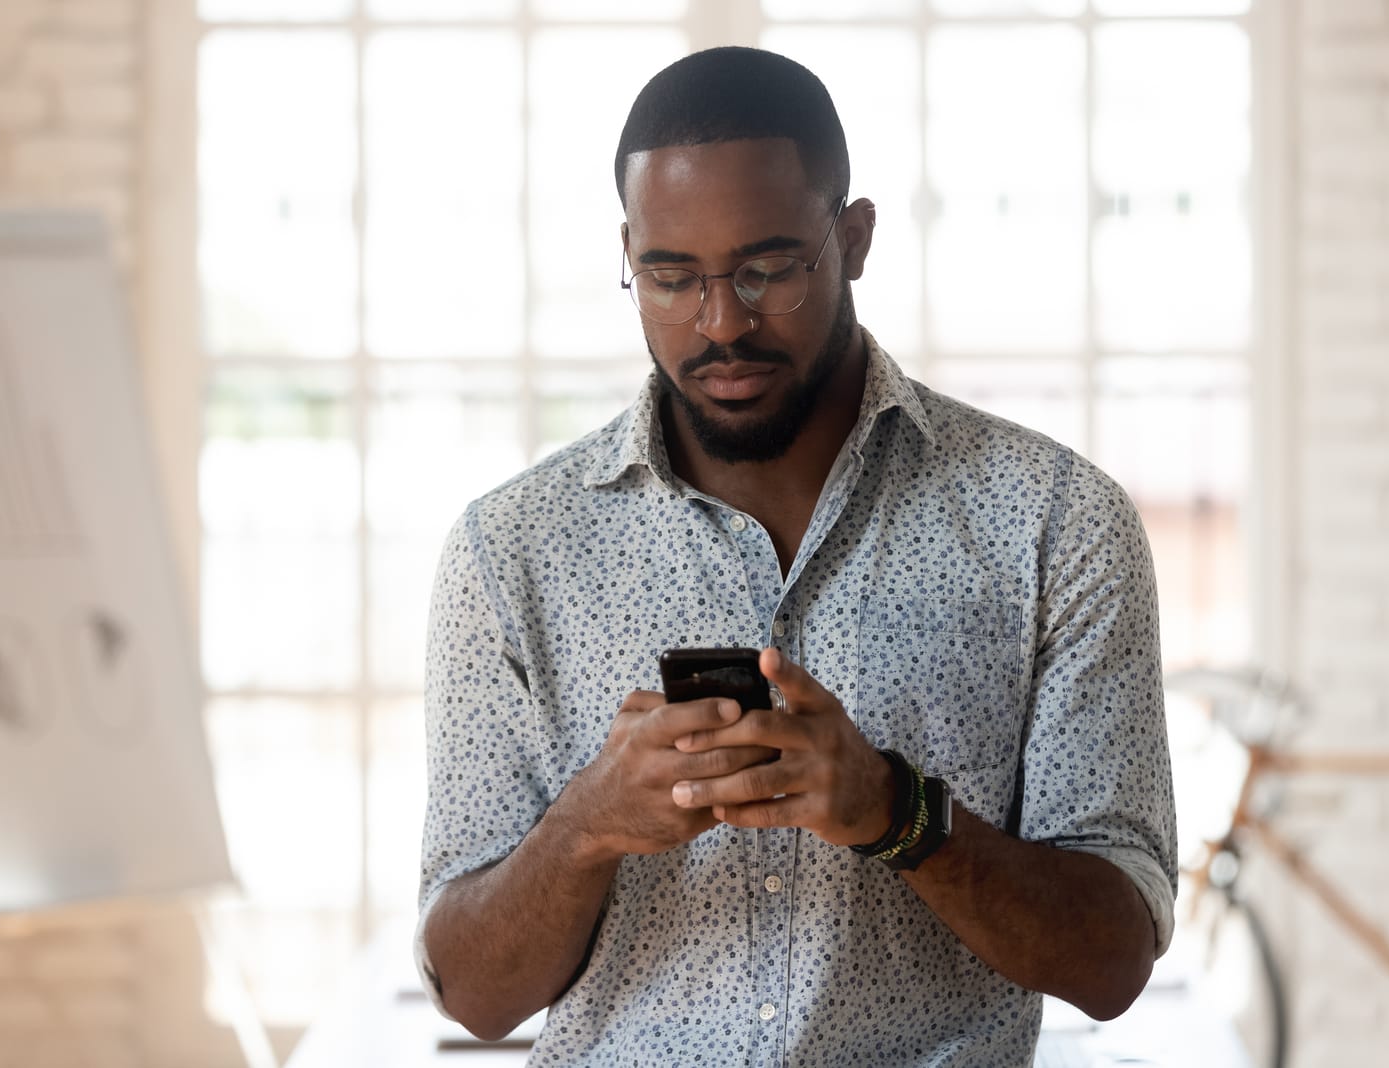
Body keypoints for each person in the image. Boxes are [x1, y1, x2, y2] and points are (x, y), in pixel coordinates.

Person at [416, 46, 1176, 1067]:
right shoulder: (509, 553)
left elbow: (1113, 959)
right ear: (629, 259)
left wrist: (897, 814)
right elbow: (473, 993)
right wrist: (583, 829)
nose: (720, 323)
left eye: (768, 268)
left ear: (852, 238)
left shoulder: (1051, 519)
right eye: (671, 277)